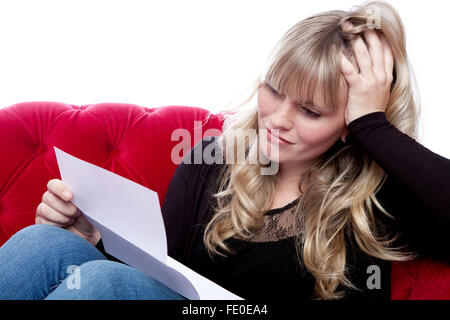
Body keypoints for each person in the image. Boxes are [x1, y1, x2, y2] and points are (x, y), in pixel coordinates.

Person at [0, 0, 449, 300]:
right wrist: (94, 238)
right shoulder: (212, 157)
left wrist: (373, 126)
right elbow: (161, 274)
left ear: (350, 122)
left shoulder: (379, 194)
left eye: (311, 111)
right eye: (274, 91)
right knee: (43, 243)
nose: (278, 119)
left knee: (99, 283)